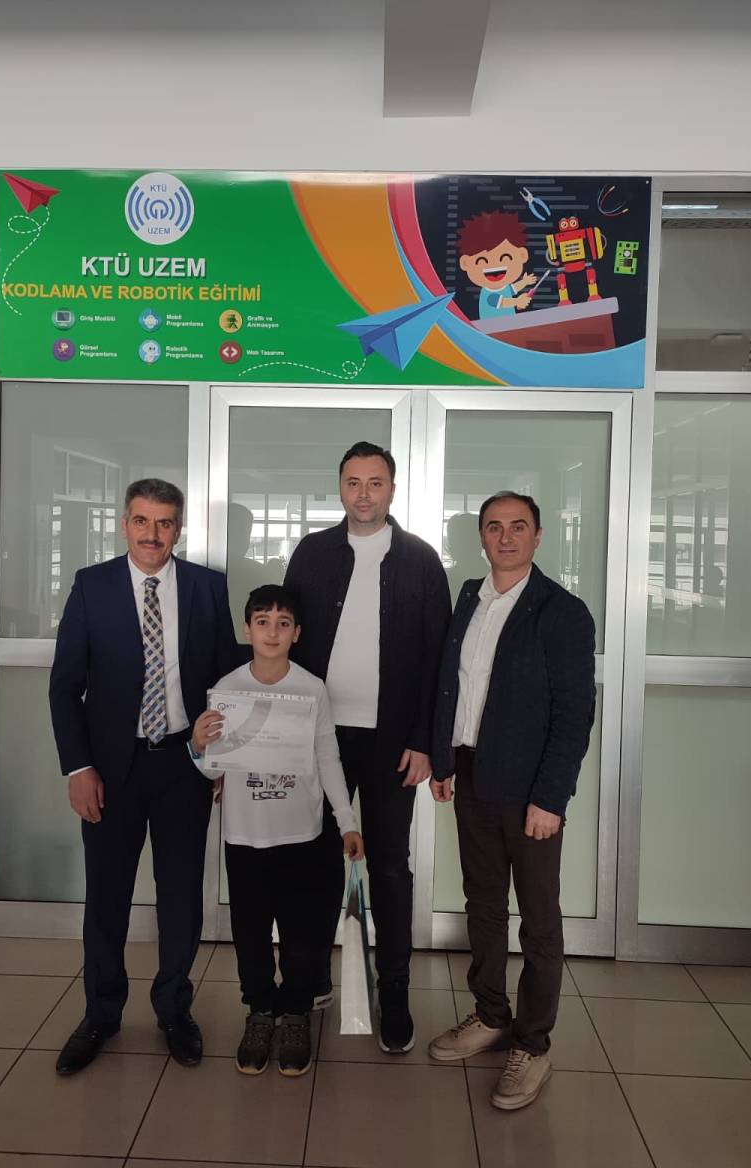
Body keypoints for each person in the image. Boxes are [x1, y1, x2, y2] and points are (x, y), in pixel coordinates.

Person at [49, 478, 237, 1075]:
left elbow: (224, 681)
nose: (151, 534)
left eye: (163, 523)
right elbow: (64, 687)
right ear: (124, 523)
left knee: (180, 895)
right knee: (107, 896)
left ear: (178, 528)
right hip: (111, 768)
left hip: (184, 764)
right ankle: (101, 1013)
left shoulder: (207, 587)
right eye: (140, 521)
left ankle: (174, 1009)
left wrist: (217, 759)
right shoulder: (92, 586)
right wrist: (79, 767)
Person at [427, 491, 595, 1110]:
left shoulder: (562, 611)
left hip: (530, 791)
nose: (505, 537)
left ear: (538, 536)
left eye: (518, 526)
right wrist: (443, 760)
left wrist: (551, 797)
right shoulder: (470, 597)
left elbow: (574, 714)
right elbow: (453, 686)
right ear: (481, 536)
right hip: (472, 773)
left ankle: (533, 1042)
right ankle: (491, 1015)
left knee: (540, 918)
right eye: (494, 527)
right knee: (484, 902)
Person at [283, 441, 451, 1053]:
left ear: (392, 489)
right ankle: (313, 978)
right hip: (319, 736)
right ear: (340, 488)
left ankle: (395, 992)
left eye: (375, 482)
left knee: (388, 866)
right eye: (353, 482)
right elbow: (285, 641)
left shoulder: (420, 560)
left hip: (393, 743)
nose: (363, 493)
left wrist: (426, 742)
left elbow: (439, 661)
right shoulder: (312, 553)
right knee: (316, 861)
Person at [192, 584, 364, 1077]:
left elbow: (327, 758)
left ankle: (295, 1014)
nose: (272, 632)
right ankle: (260, 1011)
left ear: (297, 633)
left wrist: (346, 821)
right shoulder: (227, 689)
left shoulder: (311, 689)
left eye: (283, 623)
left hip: (301, 835)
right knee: (249, 931)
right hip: (245, 836)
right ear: (247, 629)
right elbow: (211, 770)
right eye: (262, 622)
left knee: (300, 932)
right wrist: (199, 746)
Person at [458, 210, 538, 320]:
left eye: (506, 258)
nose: (494, 267)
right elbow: (502, 302)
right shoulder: (488, 293)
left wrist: (524, 282)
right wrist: (517, 301)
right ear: (465, 263)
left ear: (522, 255)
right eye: (481, 261)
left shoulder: (504, 288)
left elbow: (513, 288)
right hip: (493, 327)